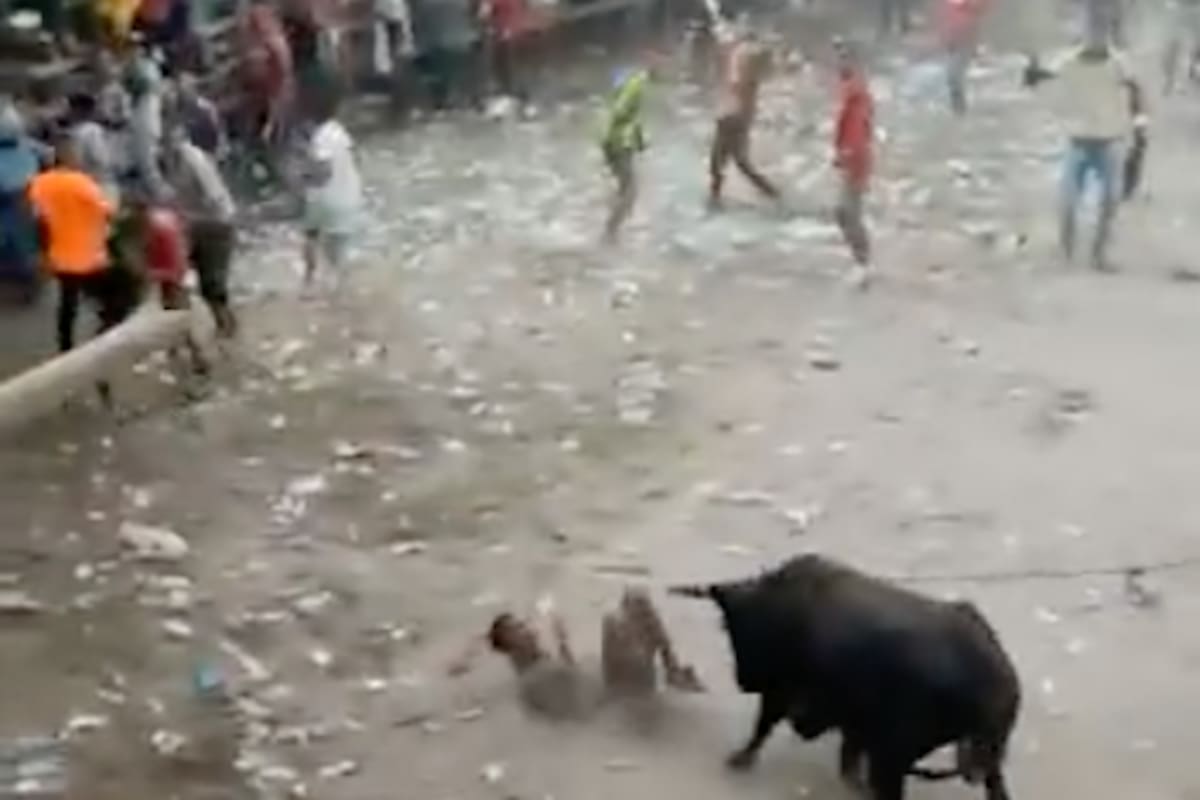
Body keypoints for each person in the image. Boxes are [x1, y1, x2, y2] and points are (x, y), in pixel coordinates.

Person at [454, 589, 704, 721]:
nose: (529, 630)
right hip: (620, 694)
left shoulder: (540, 663)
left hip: (615, 685)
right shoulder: (533, 680)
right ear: (512, 647)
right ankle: (671, 672)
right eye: (519, 630)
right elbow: (578, 711)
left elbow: (573, 681)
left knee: (633, 598)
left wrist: (564, 648)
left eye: (523, 624)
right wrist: (563, 643)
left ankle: (673, 669)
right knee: (617, 617)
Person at [1026, 27, 1141, 270]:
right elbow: (1041, 77)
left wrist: (1138, 121)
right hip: (1080, 140)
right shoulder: (1070, 61)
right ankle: (1068, 251)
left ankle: (1097, 254)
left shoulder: (1117, 63)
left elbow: (1134, 89)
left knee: (1108, 201)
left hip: (1106, 140)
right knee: (1069, 201)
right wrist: (1032, 71)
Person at [27, 137, 129, 355]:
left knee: (67, 304)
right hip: (91, 256)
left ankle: (65, 347)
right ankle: (105, 335)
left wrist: (42, 253)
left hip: (61, 257)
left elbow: (38, 220)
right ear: (72, 159)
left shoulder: (40, 184)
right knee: (111, 297)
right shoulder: (84, 184)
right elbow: (108, 213)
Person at [163, 126, 238, 337]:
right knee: (176, 282)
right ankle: (184, 337)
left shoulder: (193, 159)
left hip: (213, 225)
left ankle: (225, 329)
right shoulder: (170, 160)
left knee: (212, 286)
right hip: (194, 224)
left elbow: (214, 196)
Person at [708, 24, 779, 211]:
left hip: (733, 113)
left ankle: (714, 202)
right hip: (738, 113)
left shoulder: (745, 54)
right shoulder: (744, 56)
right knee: (738, 163)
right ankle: (773, 195)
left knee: (721, 163)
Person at [300, 88, 363, 289]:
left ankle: (309, 281)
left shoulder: (320, 137)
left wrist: (304, 177)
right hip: (349, 197)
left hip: (326, 199)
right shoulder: (339, 131)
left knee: (311, 235)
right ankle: (340, 290)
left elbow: (323, 170)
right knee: (339, 255)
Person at [832, 38, 874, 288]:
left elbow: (858, 130)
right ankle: (861, 260)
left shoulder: (856, 94)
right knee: (844, 211)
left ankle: (863, 263)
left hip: (855, 159)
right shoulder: (850, 89)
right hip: (851, 157)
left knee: (846, 210)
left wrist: (848, 156)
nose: (838, 62)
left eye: (844, 57)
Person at [600, 65, 649, 243]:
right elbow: (621, 111)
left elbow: (631, 116)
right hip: (620, 142)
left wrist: (640, 141)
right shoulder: (637, 84)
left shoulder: (628, 79)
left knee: (623, 187)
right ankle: (610, 231)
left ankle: (612, 226)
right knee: (630, 191)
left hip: (613, 140)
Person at [0, 103, 42, 303]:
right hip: (24, 199)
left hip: (15, 200)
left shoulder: (24, 145)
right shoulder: (27, 146)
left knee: (18, 243)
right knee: (24, 243)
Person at [66, 92, 121, 206]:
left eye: (71, 108)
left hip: (97, 187)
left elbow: (99, 160)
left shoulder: (86, 132)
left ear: (78, 110)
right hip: (103, 185)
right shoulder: (97, 130)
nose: (68, 112)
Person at [940, 0, 986, 115]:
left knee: (954, 75)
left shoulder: (970, 7)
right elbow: (947, 19)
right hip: (954, 41)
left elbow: (979, 9)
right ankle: (958, 106)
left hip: (964, 41)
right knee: (952, 76)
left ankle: (959, 107)